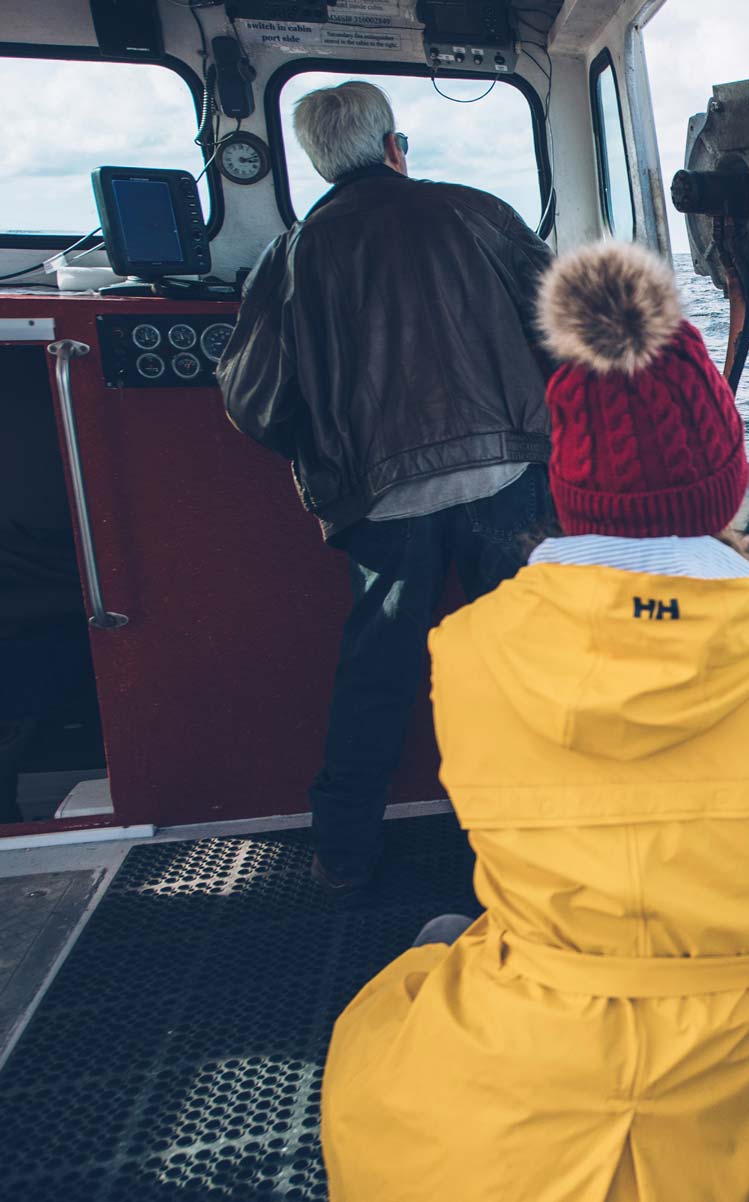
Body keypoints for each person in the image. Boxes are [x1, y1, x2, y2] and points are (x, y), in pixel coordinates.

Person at [318, 240, 749, 1201]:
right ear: (726, 487)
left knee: (431, 949)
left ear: (569, 492)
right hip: (718, 1123)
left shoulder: (468, 648)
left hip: (469, 1144)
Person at [216, 81, 556, 898]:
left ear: (316, 163)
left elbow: (251, 398)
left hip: (381, 499)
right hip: (502, 477)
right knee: (523, 663)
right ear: (396, 146)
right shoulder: (477, 212)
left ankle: (344, 854)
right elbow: (563, 318)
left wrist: (330, 448)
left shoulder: (294, 253)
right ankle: (536, 849)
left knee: (378, 672)